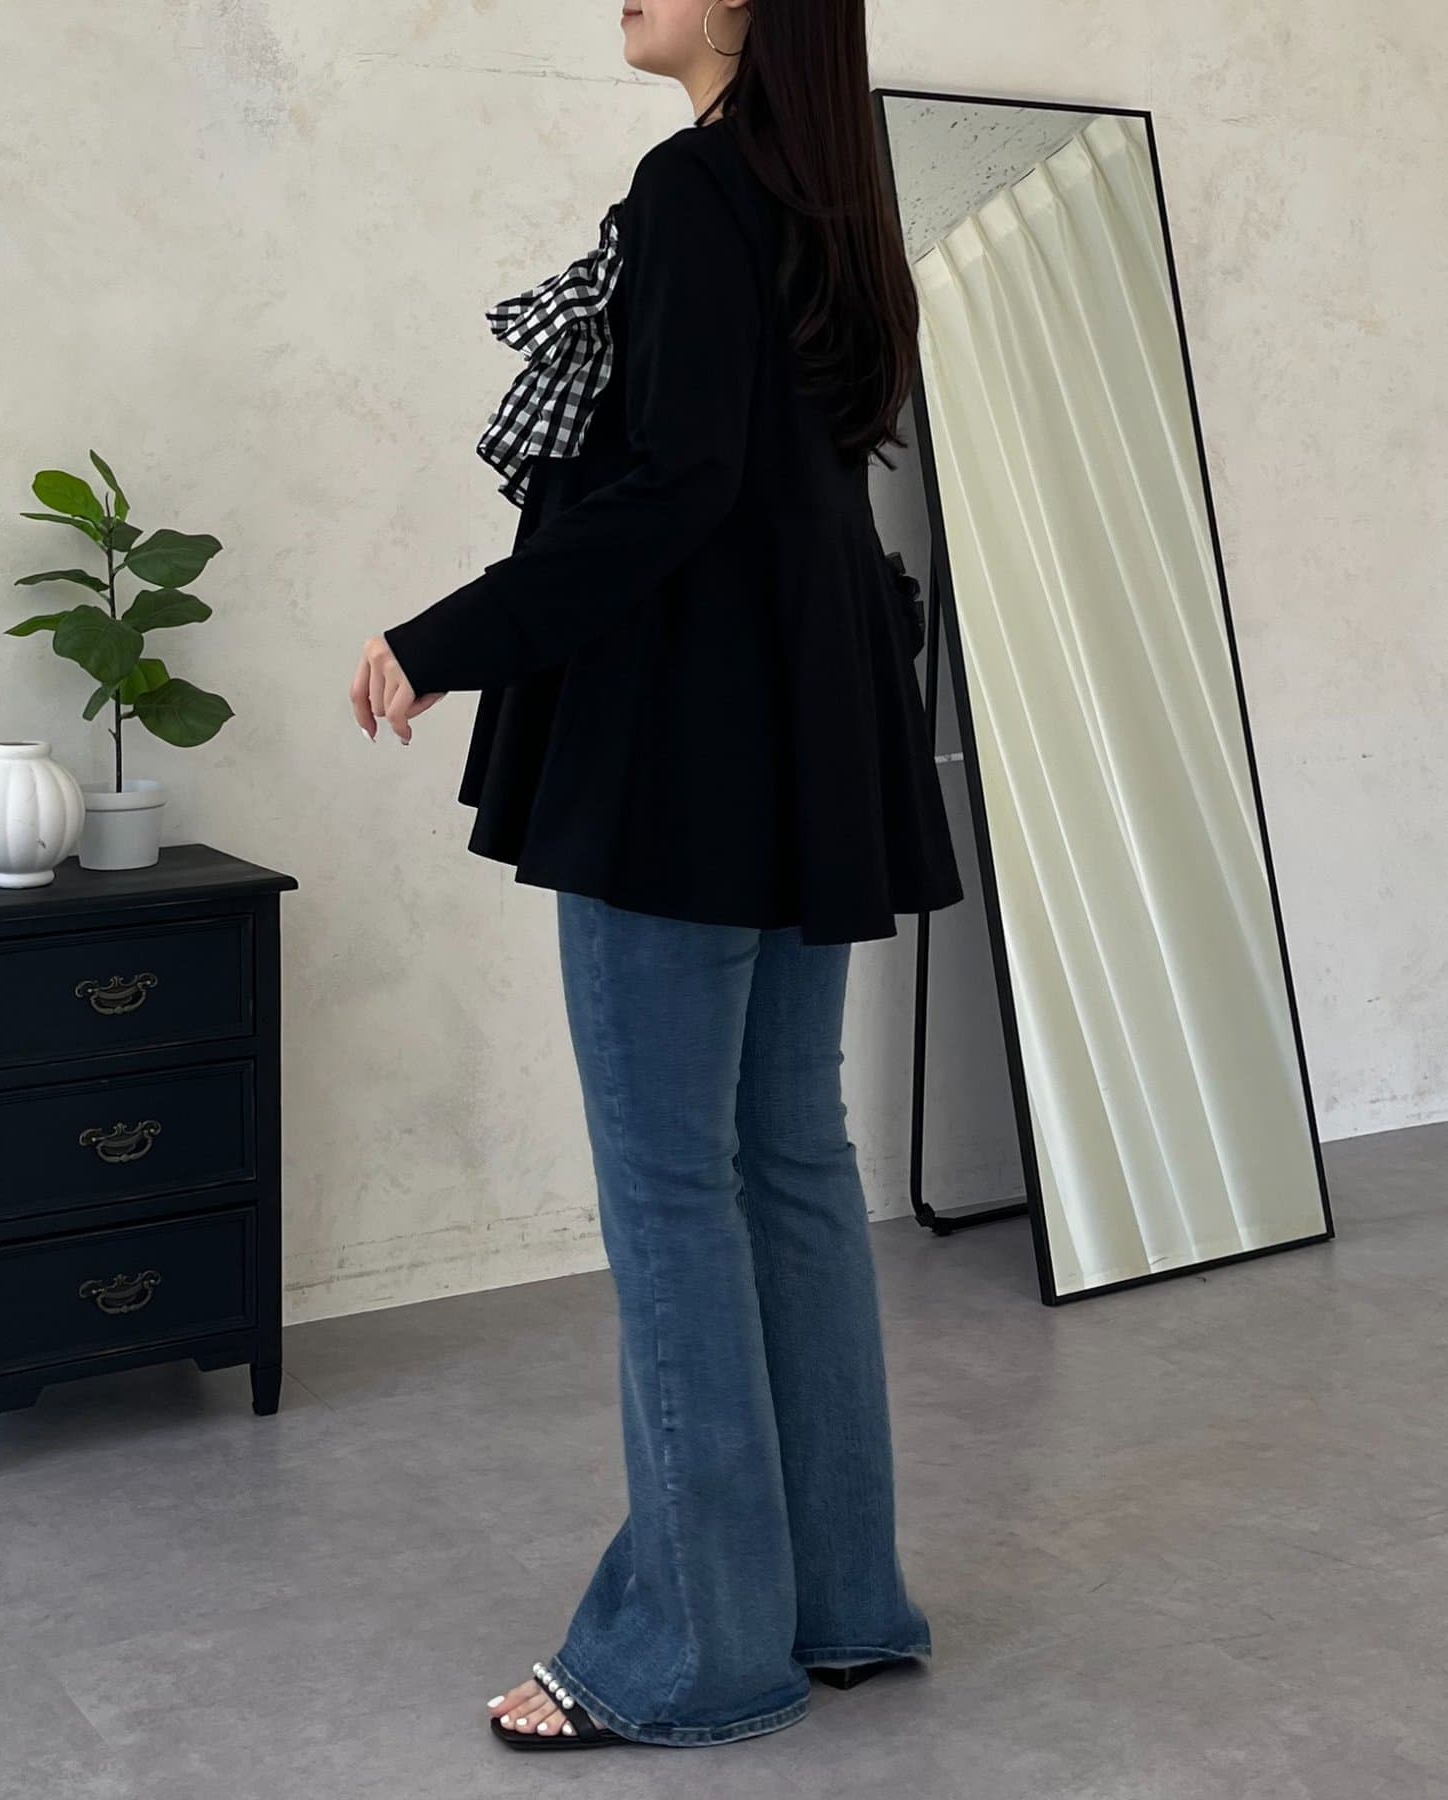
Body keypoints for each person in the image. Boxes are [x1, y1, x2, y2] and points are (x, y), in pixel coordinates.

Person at [349, 0, 962, 1754]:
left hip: (683, 750)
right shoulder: (836, 197)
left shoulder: (692, 190)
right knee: (793, 1168)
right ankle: (839, 1604)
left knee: (678, 1190)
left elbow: (679, 483)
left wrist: (446, 636)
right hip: (808, 741)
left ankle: (697, 1649)